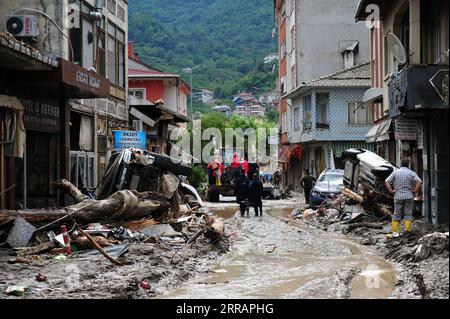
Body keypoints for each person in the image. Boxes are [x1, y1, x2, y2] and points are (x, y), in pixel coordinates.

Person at [385, 159, 422, 238]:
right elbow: (419, 181)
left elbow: (386, 181)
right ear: (408, 165)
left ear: (401, 164)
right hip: (409, 196)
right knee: (408, 214)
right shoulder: (411, 173)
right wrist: (415, 190)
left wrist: (391, 191)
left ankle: (395, 233)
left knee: (397, 215)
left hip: (398, 196)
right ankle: (407, 232)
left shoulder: (395, 172)